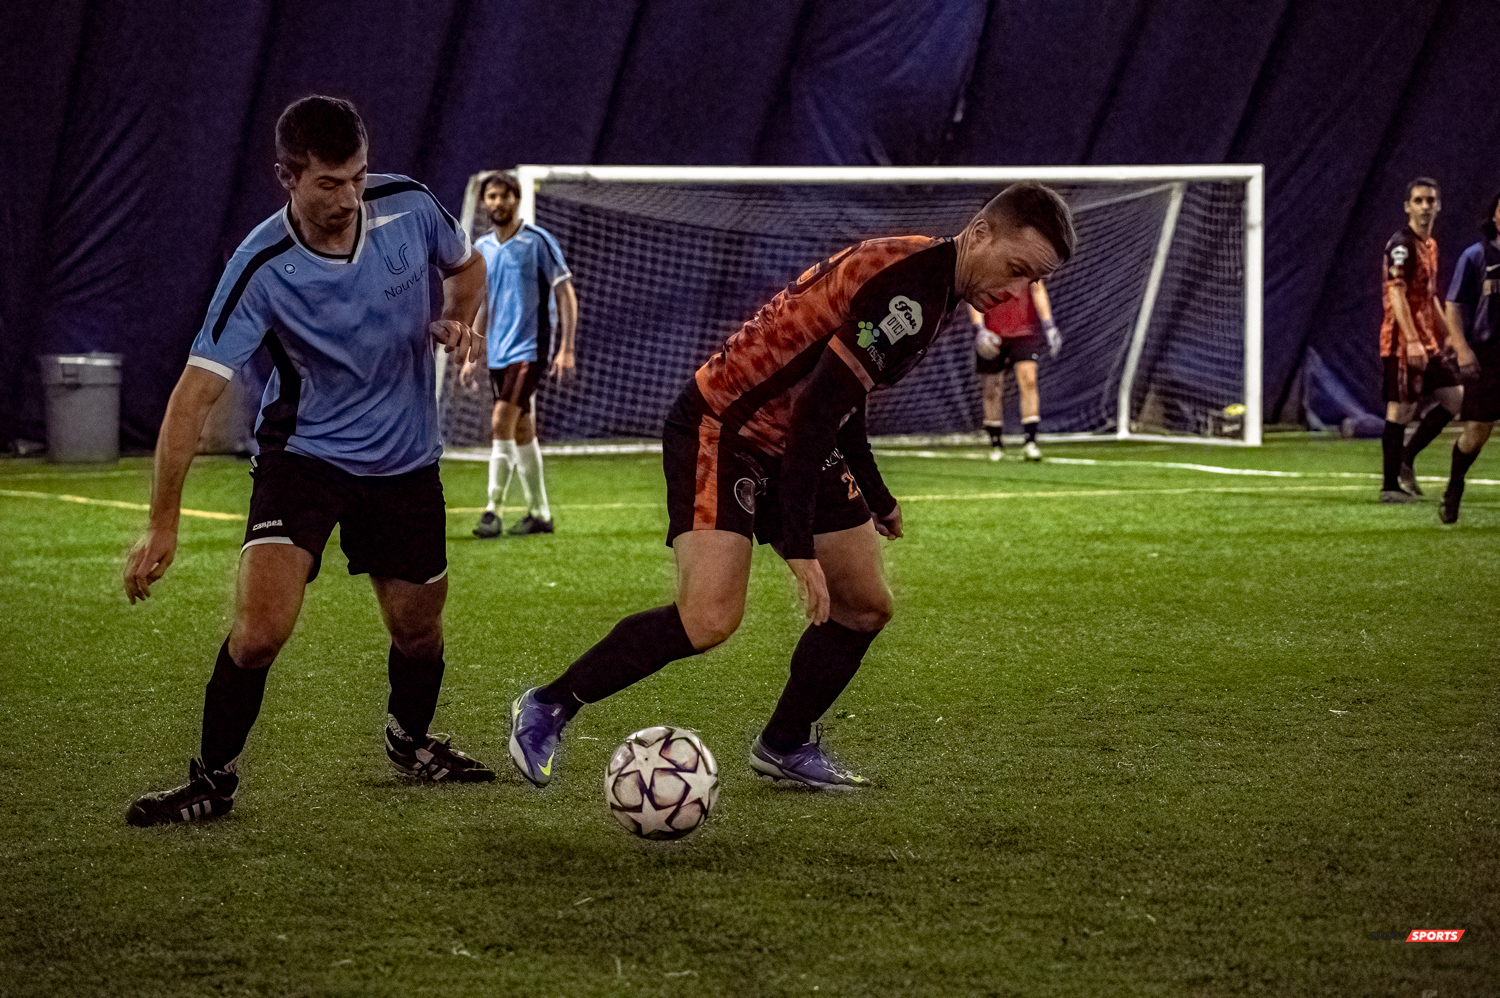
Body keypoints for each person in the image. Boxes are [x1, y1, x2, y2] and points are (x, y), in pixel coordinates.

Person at [507, 184, 1075, 790]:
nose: (1015, 292)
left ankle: (784, 743)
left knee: (863, 607)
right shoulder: (912, 289)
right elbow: (814, 413)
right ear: (982, 233)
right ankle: (550, 703)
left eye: (1030, 281)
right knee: (709, 618)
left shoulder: (930, 276)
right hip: (725, 427)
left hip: (797, 439)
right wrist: (799, 546)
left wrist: (876, 496)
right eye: (1016, 270)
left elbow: (838, 405)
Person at [122, 95, 494, 827]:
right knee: (261, 631)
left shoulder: (409, 207)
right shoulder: (260, 265)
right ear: (286, 177)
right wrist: (162, 525)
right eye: (329, 183)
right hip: (307, 456)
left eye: (357, 177)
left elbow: (468, 268)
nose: (349, 198)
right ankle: (212, 779)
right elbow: (190, 400)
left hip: (405, 460)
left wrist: (459, 320)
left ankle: (409, 742)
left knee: (418, 630)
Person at [461, 171, 577, 537]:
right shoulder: (483, 247)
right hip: (498, 353)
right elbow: (484, 304)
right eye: (491, 196)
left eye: (503, 195)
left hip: (531, 349)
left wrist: (566, 348)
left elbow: (565, 293)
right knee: (523, 429)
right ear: (485, 203)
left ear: (516, 199)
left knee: (500, 422)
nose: (497, 202)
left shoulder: (538, 241)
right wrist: (471, 352)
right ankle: (540, 514)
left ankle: (492, 509)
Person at [1377, 177, 1477, 502]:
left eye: (1430, 201)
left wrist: (1447, 332)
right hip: (1402, 343)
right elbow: (1397, 295)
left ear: (1438, 206)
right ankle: (1389, 486)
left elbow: (1429, 295)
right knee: (1401, 409)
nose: (1424, 207)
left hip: (1427, 343)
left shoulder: (1430, 245)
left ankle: (1406, 457)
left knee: (1457, 400)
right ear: (1407, 206)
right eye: (1418, 201)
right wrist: (1412, 340)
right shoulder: (1401, 245)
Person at [1439, 191, 1500, 523]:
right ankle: (1455, 484)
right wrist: (1462, 348)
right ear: (1494, 217)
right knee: (1477, 430)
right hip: (1488, 355)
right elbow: (1454, 305)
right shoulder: (1476, 257)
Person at [971, 280, 1061, 461]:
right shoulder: (984, 259)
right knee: (991, 387)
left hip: (1024, 332)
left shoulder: (1026, 259)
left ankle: (1030, 441)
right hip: (992, 334)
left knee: (1029, 379)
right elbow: (974, 294)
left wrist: (1049, 325)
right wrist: (979, 328)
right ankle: (996, 443)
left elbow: (1037, 289)